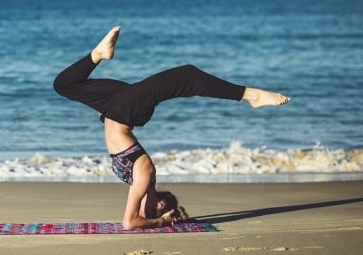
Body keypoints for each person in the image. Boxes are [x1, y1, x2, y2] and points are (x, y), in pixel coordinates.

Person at [53, 26, 289, 230]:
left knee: (64, 85)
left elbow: (129, 222)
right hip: (126, 111)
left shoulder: (139, 183)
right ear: (160, 202)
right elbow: (132, 221)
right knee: (187, 75)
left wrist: (161, 222)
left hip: (116, 108)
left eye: (151, 213)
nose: (149, 209)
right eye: (156, 208)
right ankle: (250, 96)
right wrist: (163, 219)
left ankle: (98, 54)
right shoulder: (145, 176)